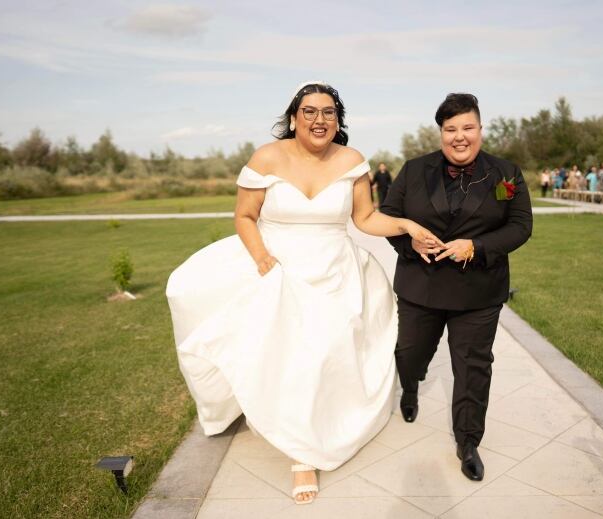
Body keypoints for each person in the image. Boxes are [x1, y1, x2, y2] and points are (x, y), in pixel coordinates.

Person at [165, 81, 443, 505]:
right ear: (293, 117)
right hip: (277, 265)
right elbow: (244, 216)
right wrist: (261, 258)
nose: (319, 119)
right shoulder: (266, 157)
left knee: (324, 354)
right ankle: (301, 454)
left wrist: (405, 225)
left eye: (328, 112)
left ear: (338, 120)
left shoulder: (352, 161)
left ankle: (318, 424)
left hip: (335, 270)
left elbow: (365, 219)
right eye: (310, 111)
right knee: (294, 355)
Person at [380, 93, 533, 482]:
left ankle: (468, 442)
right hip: (421, 287)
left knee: (472, 368)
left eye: (467, 127)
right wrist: (409, 242)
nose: (459, 137)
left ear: (480, 129)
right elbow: (389, 217)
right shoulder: (414, 171)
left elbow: (519, 226)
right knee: (410, 354)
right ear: (441, 133)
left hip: (479, 292)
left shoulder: (506, 175)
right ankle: (411, 386)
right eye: (451, 130)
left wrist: (478, 247)